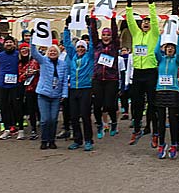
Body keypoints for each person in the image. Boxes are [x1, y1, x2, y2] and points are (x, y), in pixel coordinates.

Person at [126, 0, 160, 146]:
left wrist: (151, 3)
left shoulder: (154, 35)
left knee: (153, 104)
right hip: (138, 73)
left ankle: (155, 132)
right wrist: (128, 5)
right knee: (137, 104)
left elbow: (154, 20)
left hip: (151, 72)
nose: (145, 23)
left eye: (147, 21)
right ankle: (137, 129)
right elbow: (130, 20)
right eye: (143, 21)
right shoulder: (136, 34)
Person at [64, 15, 95, 151]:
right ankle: (77, 140)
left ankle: (88, 140)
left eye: (83, 47)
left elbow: (93, 43)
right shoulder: (72, 56)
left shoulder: (89, 56)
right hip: (73, 89)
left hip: (85, 88)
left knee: (85, 115)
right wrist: (66, 27)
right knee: (74, 116)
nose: (80, 49)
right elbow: (66, 43)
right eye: (79, 47)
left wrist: (89, 27)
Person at [30, 40, 69, 150]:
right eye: (50, 51)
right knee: (45, 119)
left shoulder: (63, 64)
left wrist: (64, 94)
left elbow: (65, 80)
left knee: (53, 119)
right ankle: (44, 140)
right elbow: (33, 53)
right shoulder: (43, 61)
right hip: (43, 94)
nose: (52, 52)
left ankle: (52, 140)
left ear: (58, 52)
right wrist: (33, 40)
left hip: (56, 95)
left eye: (54, 51)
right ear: (47, 52)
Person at [90, 8, 121, 139]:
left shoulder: (114, 45)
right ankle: (99, 125)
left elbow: (115, 32)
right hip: (97, 78)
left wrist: (113, 18)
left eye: (108, 35)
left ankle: (113, 123)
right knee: (97, 105)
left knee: (109, 104)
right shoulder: (97, 44)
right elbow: (93, 33)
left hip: (111, 78)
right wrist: (92, 18)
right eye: (104, 35)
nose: (106, 37)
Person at [154, 33, 179, 159]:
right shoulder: (161, 59)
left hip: (173, 91)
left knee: (173, 119)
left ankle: (174, 144)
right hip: (160, 91)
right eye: (168, 47)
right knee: (161, 120)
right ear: (164, 49)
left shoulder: (176, 60)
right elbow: (155, 51)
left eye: (172, 47)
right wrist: (160, 37)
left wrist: (178, 38)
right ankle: (161, 144)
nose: (170, 49)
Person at [0, 35, 21, 140]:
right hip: (2, 85)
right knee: (4, 107)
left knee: (16, 106)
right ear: (4, 44)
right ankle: (7, 128)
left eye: (10, 42)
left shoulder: (18, 55)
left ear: (14, 44)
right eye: (7, 42)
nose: (9, 44)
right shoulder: (0, 56)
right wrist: (0, 78)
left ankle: (18, 127)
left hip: (15, 85)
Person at [18, 42, 40, 140]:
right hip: (24, 88)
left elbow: (42, 71)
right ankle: (27, 130)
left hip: (35, 88)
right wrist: (25, 74)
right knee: (25, 109)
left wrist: (36, 72)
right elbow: (19, 77)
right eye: (22, 49)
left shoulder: (35, 61)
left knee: (35, 109)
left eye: (26, 48)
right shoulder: (19, 63)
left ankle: (37, 129)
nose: (24, 51)